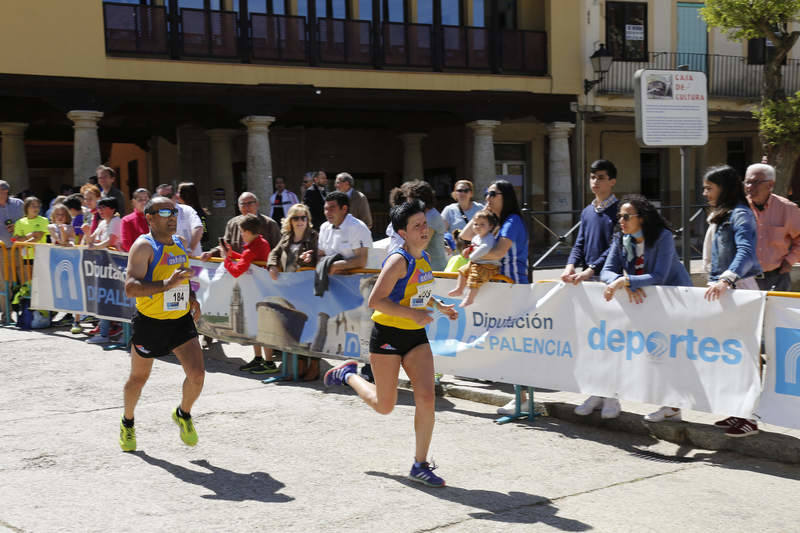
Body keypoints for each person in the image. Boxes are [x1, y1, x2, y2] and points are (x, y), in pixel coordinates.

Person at [323, 200, 458, 487]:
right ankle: (348, 374)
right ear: (403, 232)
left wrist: (440, 306)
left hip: (415, 337)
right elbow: (376, 301)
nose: (424, 229)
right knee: (385, 406)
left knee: (426, 398)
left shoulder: (422, 259)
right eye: (416, 226)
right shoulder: (399, 260)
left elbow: (416, 293)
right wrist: (414, 314)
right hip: (387, 335)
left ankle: (420, 465)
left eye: (425, 223)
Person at [588, 194, 692, 421]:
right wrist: (624, 281)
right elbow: (607, 270)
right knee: (648, 352)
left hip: (674, 298)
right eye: (619, 217)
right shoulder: (621, 238)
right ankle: (606, 394)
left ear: (642, 218)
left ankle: (672, 407)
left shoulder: (662, 237)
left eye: (626, 216)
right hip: (646, 299)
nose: (621, 221)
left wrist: (627, 281)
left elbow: (659, 275)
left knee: (670, 352)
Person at [120, 196, 204, 452]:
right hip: (151, 323)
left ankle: (183, 413)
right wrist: (164, 286)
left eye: (175, 212)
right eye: (165, 212)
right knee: (138, 378)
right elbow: (130, 288)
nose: (172, 217)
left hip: (179, 320)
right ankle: (128, 421)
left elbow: (183, 278)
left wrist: (191, 297)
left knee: (197, 374)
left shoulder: (179, 244)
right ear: (150, 217)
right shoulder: (143, 247)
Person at [702, 165, 762, 437]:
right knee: (732, 355)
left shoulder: (740, 215)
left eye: (709, 188)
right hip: (724, 287)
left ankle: (750, 417)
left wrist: (727, 278)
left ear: (723, 188)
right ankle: (739, 412)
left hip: (738, 289)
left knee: (747, 353)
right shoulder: (722, 215)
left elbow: (746, 252)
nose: (705, 193)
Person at [460, 179, 530, 415]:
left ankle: (523, 398)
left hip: (513, 285)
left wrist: (473, 256)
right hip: (499, 286)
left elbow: (499, 251)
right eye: (486, 193)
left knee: (515, 342)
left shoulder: (512, 221)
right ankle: (520, 396)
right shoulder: (494, 221)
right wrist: (482, 214)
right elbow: (467, 236)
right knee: (507, 342)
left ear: (506, 197)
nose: (488, 197)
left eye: (493, 194)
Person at [221, 214, 279, 375]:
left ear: (247, 232)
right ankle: (259, 358)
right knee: (255, 325)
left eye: (241, 231)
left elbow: (237, 271)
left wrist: (227, 259)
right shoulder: (261, 243)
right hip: (260, 291)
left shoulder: (252, 248)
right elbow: (249, 260)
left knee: (260, 327)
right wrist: (232, 255)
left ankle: (269, 362)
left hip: (256, 293)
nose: (240, 234)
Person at [267, 203, 320, 380]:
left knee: (310, 327)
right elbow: (273, 253)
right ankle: (299, 365)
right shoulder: (286, 237)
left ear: (307, 220)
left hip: (308, 289)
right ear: (290, 221)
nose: (299, 221)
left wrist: (309, 259)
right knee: (295, 328)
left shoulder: (313, 236)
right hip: (289, 291)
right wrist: (272, 265)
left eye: (303, 217)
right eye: (295, 218)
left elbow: (318, 257)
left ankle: (314, 365)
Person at [561, 160, 620, 284]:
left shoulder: (620, 211)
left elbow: (617, 246)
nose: (595, 181)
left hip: (610, 276)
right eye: (592, 177)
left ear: (612, 182)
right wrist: (570, 265)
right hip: (586, 275)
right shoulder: (587, 211)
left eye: (601, 178)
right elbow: (579, 243)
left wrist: (592, 269)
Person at [744, 163, 800, 292]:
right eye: (747, 182)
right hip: (745, 278)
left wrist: (790, 260)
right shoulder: (739, 209)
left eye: (755, 182)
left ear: (770, 185)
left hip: (777, 277)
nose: (749, 187)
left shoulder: (787, 209)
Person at [200, 192, 281, 260]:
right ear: (239, 207)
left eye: (250, 203)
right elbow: (225, 245)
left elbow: (278, 249)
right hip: (239, 270)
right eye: (243, 204)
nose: (246, 207)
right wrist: (211, 253)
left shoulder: (270, 223)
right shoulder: (232, 223)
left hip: (261, 271)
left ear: (257, 204)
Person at [86, 197, 123, 344]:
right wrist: (87, 232)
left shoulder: (116, 221)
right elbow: (91, 241)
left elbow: (111, 241)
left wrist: (94, 247)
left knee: (113, 298)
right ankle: (105, 331)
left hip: (114, 266)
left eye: (103, 208)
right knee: (104, 297)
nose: (100, 211)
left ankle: (112, 331)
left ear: (112, 209)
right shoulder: (102, 223)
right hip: (103, 266)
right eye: (99, 208)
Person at [447, 210, 501, 307]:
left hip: (488, 266)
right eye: (475, 224)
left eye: (482, 224)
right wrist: (468, 250)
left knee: (474, 278)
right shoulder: (476, 237)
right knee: (462, 270)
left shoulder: (488, 238)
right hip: (477, 263)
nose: (478, 227)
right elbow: (474, 246)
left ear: (490, 226)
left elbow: (485, 248)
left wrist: (472, 255)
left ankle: (469, 298)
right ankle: (459, 289)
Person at [317, 191, 372, 274]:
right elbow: (320, 254)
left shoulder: (358, 227)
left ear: (344, 209)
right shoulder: (324, 227)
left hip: (354, 282)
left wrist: (335, 266)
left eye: (332, 208)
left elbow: (361, 261)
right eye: (326, 209)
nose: (327, 213)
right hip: (329, 281)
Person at [403, 180, 447, 271]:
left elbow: (422, 244)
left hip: (436, 271)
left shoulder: (431, 216)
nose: (408, 202)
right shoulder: (424, 215)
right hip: (425, 269)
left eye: (410, 199)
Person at [156, 184, 203, 257]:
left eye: (168, 196)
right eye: (161, 197)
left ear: (175, 196)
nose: (165, 200)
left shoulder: (187, 210)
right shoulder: (156, 216)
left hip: (192, 261)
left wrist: (190, 249)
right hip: (169, 262)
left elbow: (198, 228)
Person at [176, 182, 210, 253]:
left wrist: (191, 248)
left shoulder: (198, 213)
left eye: (179, 192)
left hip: (194, 254)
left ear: (186, 195)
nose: (176, 195)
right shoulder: (177, 210)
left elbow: (204, 233)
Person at [13, 196, 49, 261]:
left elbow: (38, 237)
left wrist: (23, 244)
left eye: (38, 206)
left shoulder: (44, 220)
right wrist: (30, 235)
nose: (36, 208)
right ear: (26, 207)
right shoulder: (19, 222)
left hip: (41, 256)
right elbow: (14, 240)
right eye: (33, 206)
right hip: (26, 257)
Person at [120, 188, 151, 252]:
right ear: (134, 202)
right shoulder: (127, 220)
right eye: (140, 200)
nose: (144, 202)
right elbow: (127, 245)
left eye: (146, 199)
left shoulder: (156, 217)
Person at [0, 180, 24, 247]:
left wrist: (18, 227)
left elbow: (30, 220)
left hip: (19, 248)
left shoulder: (19, 204)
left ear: (6, 190)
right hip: (1, 250)